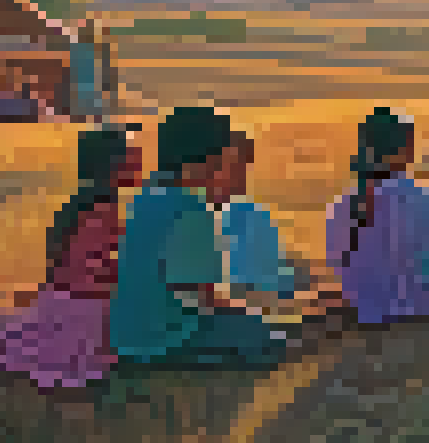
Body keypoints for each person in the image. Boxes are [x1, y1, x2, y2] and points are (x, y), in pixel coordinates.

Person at [0, 126, 140, 388]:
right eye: (132, 155)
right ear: (112, 166)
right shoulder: (103, 208)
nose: (139, 160)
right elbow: (87, 271)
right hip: (82, 307)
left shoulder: (87, 202)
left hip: (59, 299)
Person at [111, 106, 293, 369]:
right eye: (223, 163)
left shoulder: (146, 198)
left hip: (126, 335)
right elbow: (201, 299)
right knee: (259, 333)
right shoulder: (192, 211)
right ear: (207, 163)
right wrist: (240, 313)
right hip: (166, 339)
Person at [325, 107, 429, 325]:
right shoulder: (415, 193)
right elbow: (428, 262)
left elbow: (336, 263)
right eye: (410, 145)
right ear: (400, 150)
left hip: (366, 311)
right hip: (419, 309)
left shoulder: (340, 204)